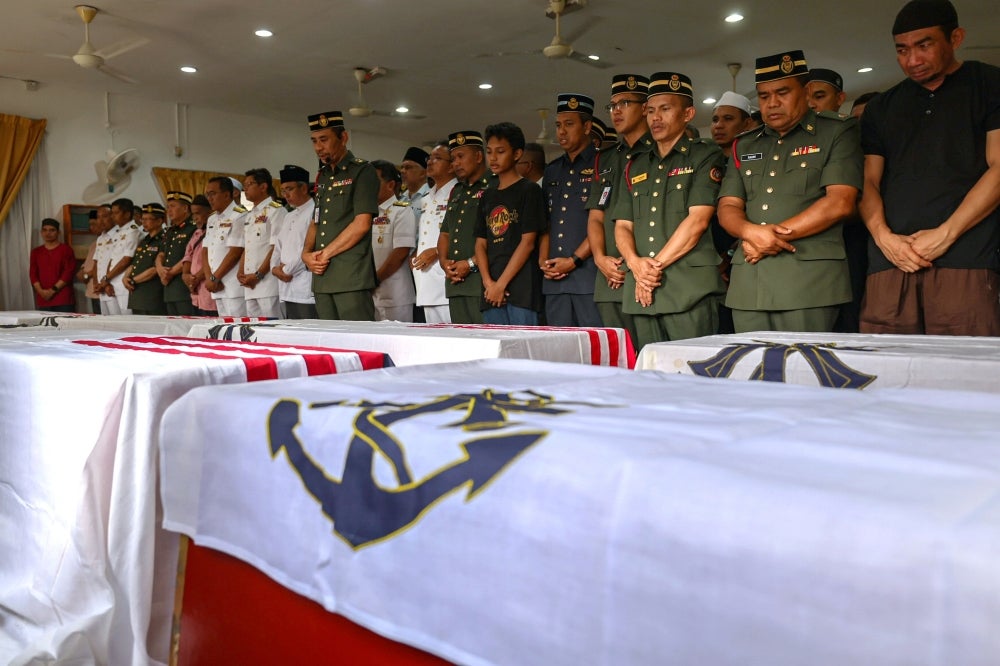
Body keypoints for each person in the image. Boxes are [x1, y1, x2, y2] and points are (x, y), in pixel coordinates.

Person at [859, 0, 1000, 336]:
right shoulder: (881, 107)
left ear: (956, 38)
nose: (913, 60)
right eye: (902, 50)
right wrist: (884, 238)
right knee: (884, 362)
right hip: (890, 262)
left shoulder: (988, 84)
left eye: (924, 46)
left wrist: (946, 234)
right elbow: (867, 182)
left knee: (965, 363)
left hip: (966, 258)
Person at [718, 50, 862, 333]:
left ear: (806, 92)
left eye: (782, 93)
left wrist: (766, 238)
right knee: (749, 360)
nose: (772, 103)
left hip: (809, 281)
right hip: (749, 283)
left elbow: (840, 202)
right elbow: (728, 207)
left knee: (804, 360)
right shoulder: (745, 144)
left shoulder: (836, 131)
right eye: (764, 96)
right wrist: (749, 232)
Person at [611, 72, 726, 348]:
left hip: (688, 289)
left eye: (665, 109)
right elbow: (623, 225)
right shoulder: (635, 164)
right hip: (642, 293)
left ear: (688, 114)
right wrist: (635, 264)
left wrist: (649, 272)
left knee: (694, 369)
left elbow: (698, 220)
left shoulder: (704, 154)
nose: (656, 118)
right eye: (650, 111)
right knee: (649, 370)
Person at [587, 73, 653, 346]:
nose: (616, 111)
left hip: (644, 272)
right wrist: (599, 258)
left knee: (650, 356)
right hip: (609, 274)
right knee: (617, 356)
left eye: (625, 103)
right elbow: (595, 216)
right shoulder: (606, 158)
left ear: (645, 108)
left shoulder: (657, 152)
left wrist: (632, 263)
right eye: (612, 105)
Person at [301, 111, 379, 321]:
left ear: (343, 137)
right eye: (314, 141)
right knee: (328, 337)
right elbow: (316, 221)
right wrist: (306, 254)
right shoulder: (324, 176)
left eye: (324, 140)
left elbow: (362, 224)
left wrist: (324, 254)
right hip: (322, 277)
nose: (318, 147)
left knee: (358, 336)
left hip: (350, 276)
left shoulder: (362, 171)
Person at [474, 122, 545, 325]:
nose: (493, 158)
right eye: (489, 152)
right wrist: (489, 283)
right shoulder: (487, 196)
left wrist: (501, 284)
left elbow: (528, 242)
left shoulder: (529, 190)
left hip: (522, 290)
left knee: (524, 344)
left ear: (517, 154)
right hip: (490, 291)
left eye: (500, 151)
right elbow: (480, 244)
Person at [541, 93, 601, 327]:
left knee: (593, 344)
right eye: (558, 125)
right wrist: (543, 262)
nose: (561, 132)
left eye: (569, 124)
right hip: (554, 280)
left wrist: (574, 260)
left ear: (587, 127)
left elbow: (603, 221)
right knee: (558, 345)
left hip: (589, 277)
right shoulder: (553, 170)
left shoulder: (602, 164)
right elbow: (546, 222)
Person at [437, 130, 491, 324]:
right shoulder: (457, 191)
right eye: (453, 159)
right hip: (456, 282)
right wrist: (444, 262)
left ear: (478, 157)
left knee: (486, 337)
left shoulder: (495, 185)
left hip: (482, 282)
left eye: (461, 157)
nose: (456, 163)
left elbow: (499, 237)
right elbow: (445, 233)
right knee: (461, 338)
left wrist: (470, 263)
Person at [412, 142, 456, 323]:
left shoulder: (458, 194)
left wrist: (437, 251)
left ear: (452, 166)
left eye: (437, 158)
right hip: (426, 278)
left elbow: (464, 235)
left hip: (447, 276)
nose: (430, 162)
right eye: (429, 158)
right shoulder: (426, 198)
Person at [370, 160, 417, 321]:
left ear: (390, 185)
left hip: (395, 295)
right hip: (369, 294)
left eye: (374, 181)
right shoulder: (367, 212)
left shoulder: (401, 210)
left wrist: (375, 280)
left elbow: (401, 252)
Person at [271, 165, 318, 319]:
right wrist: (274, 268)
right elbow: (278, 247)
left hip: (304, 285)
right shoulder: (288, 216)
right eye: (283, 191)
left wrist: (286, 271)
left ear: (303, 188)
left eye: (289, 189)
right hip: (285, 286)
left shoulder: (315, 211)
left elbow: (309, 248)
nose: (285, 195)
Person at [239, 168, 285, 318]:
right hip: (249, 284)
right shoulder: (250, 214)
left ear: (263, 186)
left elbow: (276, 247)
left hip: (268, 283)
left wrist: (258, 275)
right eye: (244, 185)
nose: (245, 189)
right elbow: (247, 246)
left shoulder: (276, 211)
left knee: (273, 326)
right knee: (253, 328)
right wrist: (240, 272)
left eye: (249, 184)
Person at [203, 176, 248, 316]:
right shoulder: (212, 218)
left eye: (213, 194)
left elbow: (236, 252)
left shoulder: (239, 215)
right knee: (223, 327)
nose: (209, 198)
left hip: (233, 286)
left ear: (227, 194)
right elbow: (205, 250)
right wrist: (209, 278)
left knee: (238, 326)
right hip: (216, 286)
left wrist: (215, 278)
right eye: (207, 194)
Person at [98, 198, 140, 315]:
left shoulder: (133, 231)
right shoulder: (119, 232)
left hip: (124, 284)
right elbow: (112, 259)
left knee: (128, 321)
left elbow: (126, 260)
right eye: (112, 213)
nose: (112, 216)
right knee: (114, 322)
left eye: (116, 213)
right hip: (113, 282)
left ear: (127, 214)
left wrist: (107, 278)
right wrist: (107, 280)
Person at [156, 191, 196, 315]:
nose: (169, 211)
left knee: (187, 323)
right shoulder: (170, 231)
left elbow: (191, 256)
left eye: (173, 206)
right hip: (168, 288)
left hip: (183, 287)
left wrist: (170, 273)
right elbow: (161, 254)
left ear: (185, 208)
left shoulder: (193, 228)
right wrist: (160, 269)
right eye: (168, 207)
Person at [126, 203, 167, 315]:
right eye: (143, 219)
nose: (144, 222)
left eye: (148, 219)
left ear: (159, 221)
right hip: (137, 294)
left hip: (151, 296)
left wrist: (133, 280)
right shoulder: (144, 240)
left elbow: (154, 269)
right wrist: (125, 278)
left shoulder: (164, 240)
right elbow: (134, 264)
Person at [29, 218, 76, 312]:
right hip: (43, 299)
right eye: (45, 230)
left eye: (52, 230)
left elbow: (68, 273)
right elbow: (33, 274)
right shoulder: (36, 252)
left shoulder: (66, 250)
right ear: (41, 232)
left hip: (63, 299)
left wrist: (52, 291)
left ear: (58, 232)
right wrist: (41, 291)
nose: (48, 233)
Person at [182, 194, 218, 316]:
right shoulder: (197, 233)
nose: (195, 218)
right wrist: (185, 275)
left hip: (208, 291)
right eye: (193, 214)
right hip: (196, 294)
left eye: (198, 213)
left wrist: (196, 279)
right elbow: (188, 255)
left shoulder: (216, 230)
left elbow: (213, 258)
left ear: (210, 211)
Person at [76, 208, 107, 314]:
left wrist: (87, 275)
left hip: (101, 288)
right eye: (90, 225)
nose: (91, 227)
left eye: (94, 224)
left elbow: (103, 264)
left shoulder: (109, 241)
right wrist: (81, 272)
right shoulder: (94, 243)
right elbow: (87, 263)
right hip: (91, 289)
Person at [399, 146, 431, 222]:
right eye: (402, 167)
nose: (402, 171)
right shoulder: (401, 199)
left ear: (423, 173)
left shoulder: (431, 197)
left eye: (408, 167)